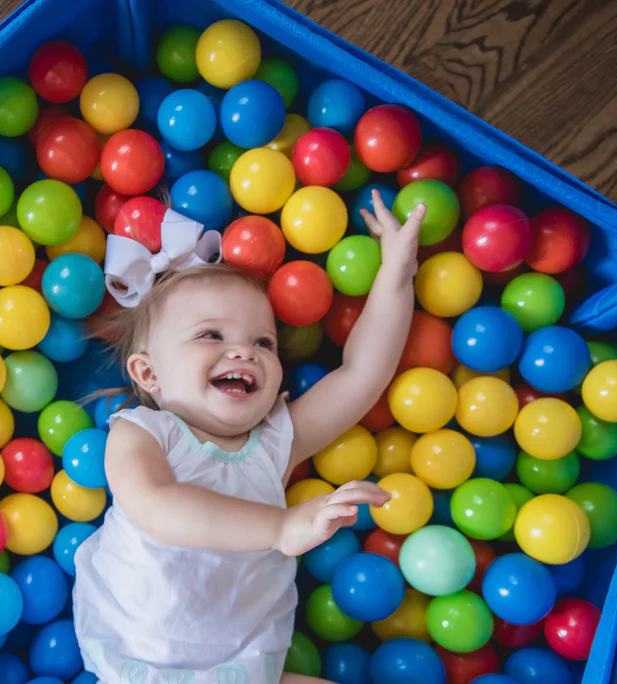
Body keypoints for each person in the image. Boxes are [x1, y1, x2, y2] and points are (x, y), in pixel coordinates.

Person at [73, 191, 425, 684]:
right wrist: (281, 528)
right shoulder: (142, 433)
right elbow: (157, 507)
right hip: (140, 664)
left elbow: (361, 375)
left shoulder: (274, 443)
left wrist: (396, 274)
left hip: (244, 671)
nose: (244, 352)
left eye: (264, 342)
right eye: (210, 336)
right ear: (148, 373)